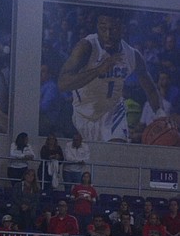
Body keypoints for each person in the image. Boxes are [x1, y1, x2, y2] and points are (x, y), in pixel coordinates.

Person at [58, 10, 163, 143]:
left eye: (113, 29)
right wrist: (98, 70)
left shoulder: (132, 55)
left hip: (113, 113)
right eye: (103, 29)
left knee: (116, 155)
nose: (108, 35)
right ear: (97, 28)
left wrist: (161, 114)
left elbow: (151, 89)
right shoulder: (86, 47)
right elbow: (63, 83)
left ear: (122, 29)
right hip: (83, 114)